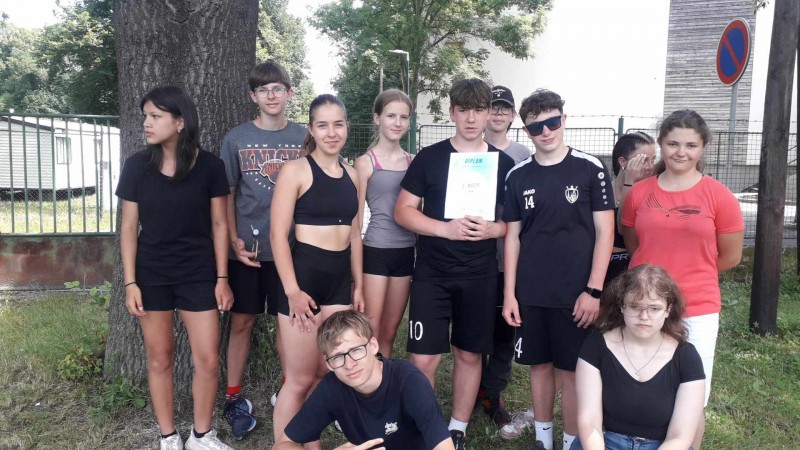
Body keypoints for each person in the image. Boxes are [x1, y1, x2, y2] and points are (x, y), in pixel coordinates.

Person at [395, 78, 515, 450]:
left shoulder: (503, 164)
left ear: (489, 113)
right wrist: (443, 229)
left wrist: (494, 228)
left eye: (479, 110)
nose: (471, 118)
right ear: (451, 113)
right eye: (463, 110)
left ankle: (457, 430)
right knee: (423, 359)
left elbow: (513, 223)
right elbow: (403, 211)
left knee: (469, 353)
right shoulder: (430, 157)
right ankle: (425, 429)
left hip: (480, 274)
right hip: (432, 273)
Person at [117, 85, 234, 450]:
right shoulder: (136, 166)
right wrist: (130, 283)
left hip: (199, 273)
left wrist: (222, 278)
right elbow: (128, 229)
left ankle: (201, 435)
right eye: (145, 116)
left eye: (156, 116)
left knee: (208, 360)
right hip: (151, 274)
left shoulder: (211, 166)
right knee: (160, 358)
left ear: (180, 122)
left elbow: (220, 225)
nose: (147, 123)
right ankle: (168, 436)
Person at [620, 109, 744, 450]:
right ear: (661, 144)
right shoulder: (639, 193)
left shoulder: (719, 195)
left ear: (703, 147)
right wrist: (654, 288)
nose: (681, 152)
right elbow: (634, 244)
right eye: (673, 143)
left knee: (692, 394)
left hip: (697, 308)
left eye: (691, 145)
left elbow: (730, 256)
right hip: (644, 305)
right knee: (644, 384)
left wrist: (689, 275)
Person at [502, 89, 615, 450]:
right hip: (531, 292)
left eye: (552, 122)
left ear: (564, 120)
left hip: (577, 294)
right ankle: (543, 439)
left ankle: (569, 442)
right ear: (526, 130)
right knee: (539, 366)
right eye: (536, 127)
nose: (546, 132)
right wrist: (510, 294)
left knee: (571, 371)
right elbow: (512, 237)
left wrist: (594, 290)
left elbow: (606, 232)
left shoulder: (590, 167)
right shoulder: (517, 176)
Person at [270, 94, 364, 448]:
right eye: (322, 125)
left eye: (338, 124)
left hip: (339, 282)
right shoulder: (295, 170)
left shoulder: (353, 175)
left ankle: (310, 442)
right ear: (311, 129)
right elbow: (277, 235)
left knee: (328, 369)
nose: (331, 132)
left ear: (347, 127)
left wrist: (358, 283)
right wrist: (292, 291)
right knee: (299, 378)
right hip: (303, 280)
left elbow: (355, 234)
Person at [219, 60, 306, 439]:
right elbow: (226, 193)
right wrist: (231, 240)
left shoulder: (304, 137)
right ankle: (233, 397)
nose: (271, 95)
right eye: (263, 89)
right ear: (253, 96)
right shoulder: (236, 138)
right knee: (242, 321)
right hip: (249, 252)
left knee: (289, 324)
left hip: (292, 250)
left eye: (278, 88)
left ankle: (289, 390)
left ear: (289, 93)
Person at [273, 310, 455, 450]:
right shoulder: (332, 387)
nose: (349, 364)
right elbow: (282, 445)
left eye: (356, 350)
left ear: (373, 345)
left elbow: (444, 446)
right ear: (328, 364)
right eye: (337, 357)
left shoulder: (408, 381)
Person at [572, 264, 706, 450]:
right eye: (635, 306)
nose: (644, 316)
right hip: (604, 442)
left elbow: (679, 436)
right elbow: (590, 423)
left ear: (668, 310)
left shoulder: (686, 357)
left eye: (654, 308)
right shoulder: (597, 345)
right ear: (621, 306)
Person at [477, 85, 531, 429]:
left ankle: (492, 393)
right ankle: (471, 385)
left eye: (504, 108)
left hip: (506, 259)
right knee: (473, 327)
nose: (498, 113)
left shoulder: (523, 154)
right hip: (472, 256)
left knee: (502, 330)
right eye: (493, 107)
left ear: (512, 115)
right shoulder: (469, 148)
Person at [354, 89, 416, 358]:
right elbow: (355, 222)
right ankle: (365, 380)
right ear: (377, 118)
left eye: (403, 117)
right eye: (391, 116)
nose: (397, 123)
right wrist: (355, 273)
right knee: (371, 330)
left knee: (390, 332)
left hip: (406, 253)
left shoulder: (414, 162)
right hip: (376, 251)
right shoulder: (365, 163)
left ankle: (384, 380)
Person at [605, 132, 656, 287]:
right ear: (623, 161)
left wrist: (630, 182)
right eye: (644, 160)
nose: (650, 166)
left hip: (637, 268)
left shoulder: (653, 192)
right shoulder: (603, 191)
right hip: (605, 268)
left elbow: (623, 228)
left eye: (653, 159)